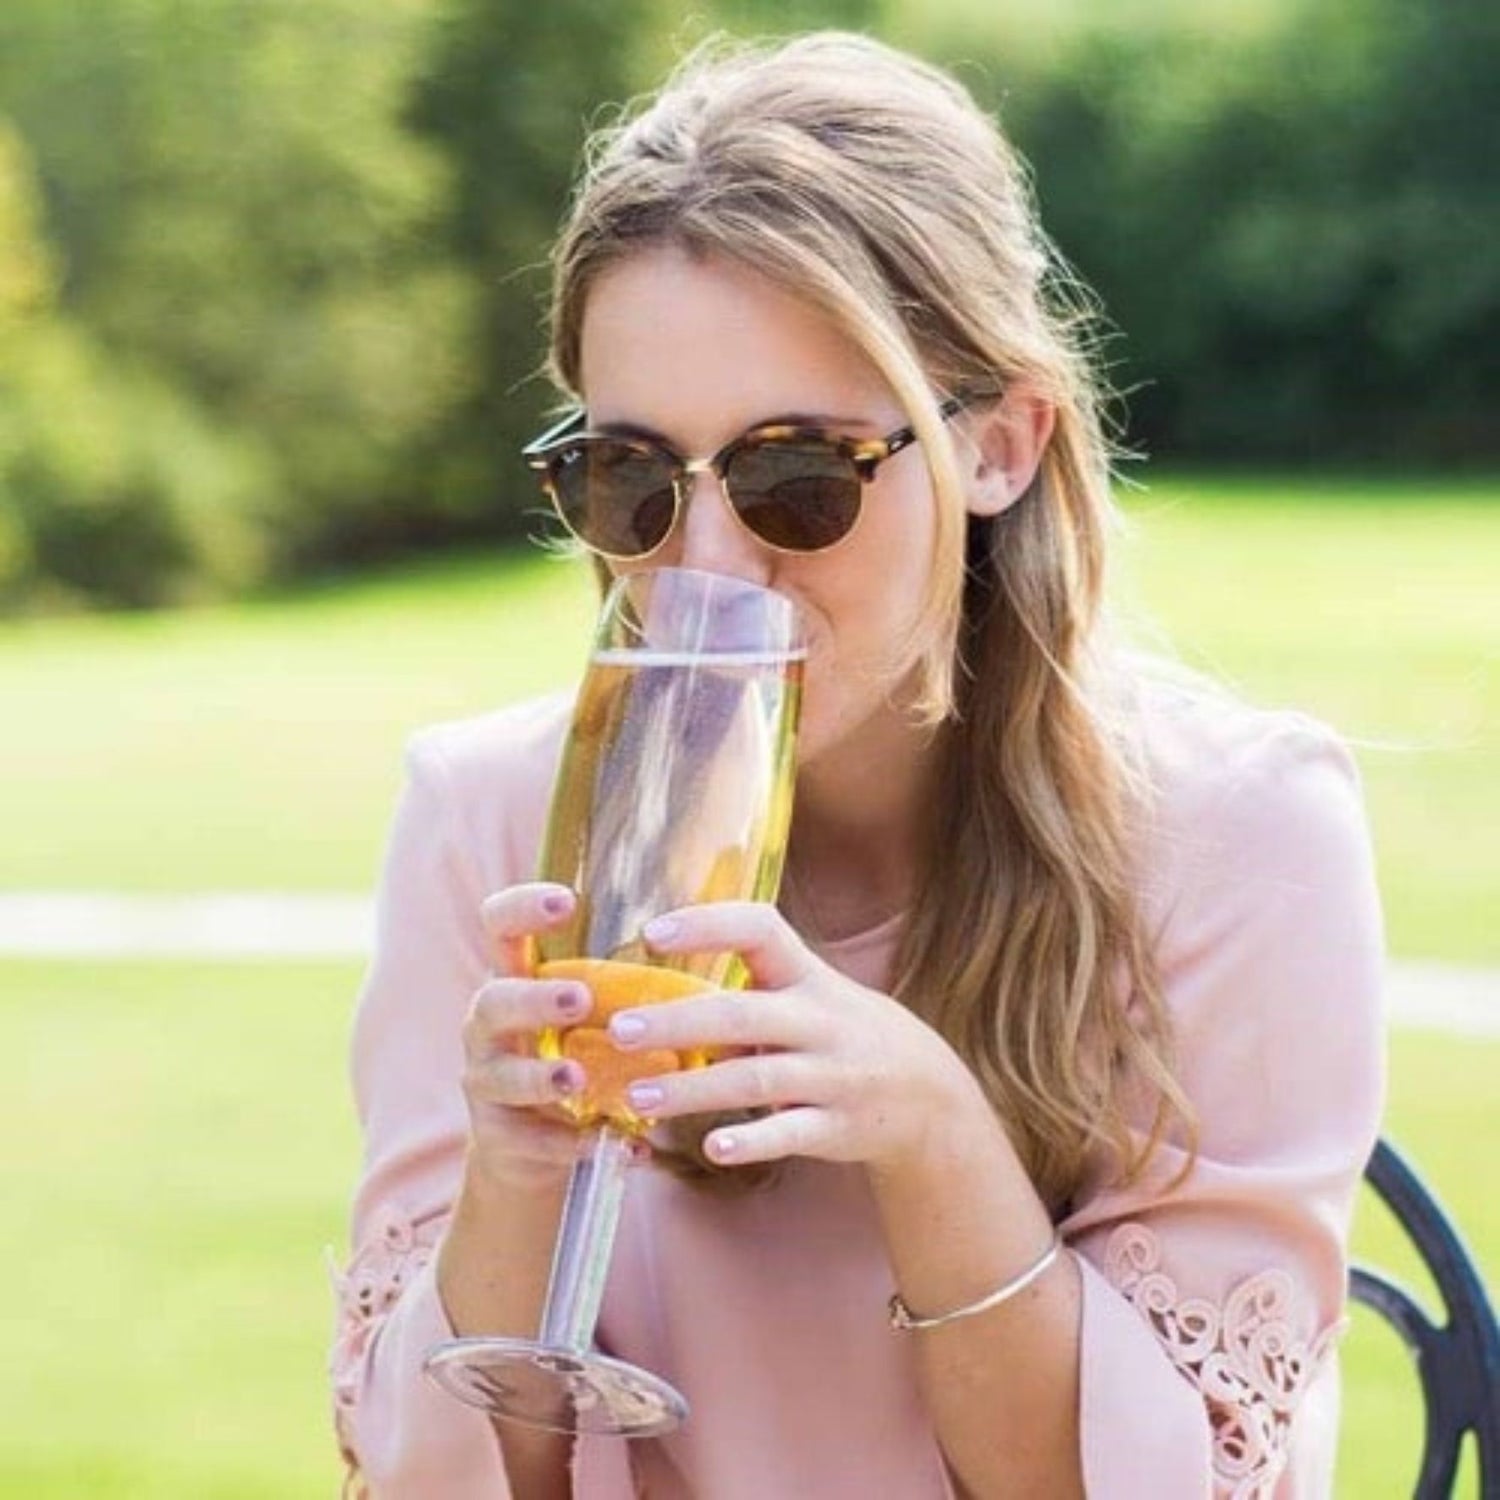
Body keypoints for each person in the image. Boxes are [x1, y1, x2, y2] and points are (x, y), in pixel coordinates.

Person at [329, 31, 1384, 1500]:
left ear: (1000, 447)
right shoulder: (489, 822)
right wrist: (511, 1180)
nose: (707, 565)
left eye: (797, 475)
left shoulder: (1238, 836)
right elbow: (418, 1482)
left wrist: (937, 1139)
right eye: (630, 477)